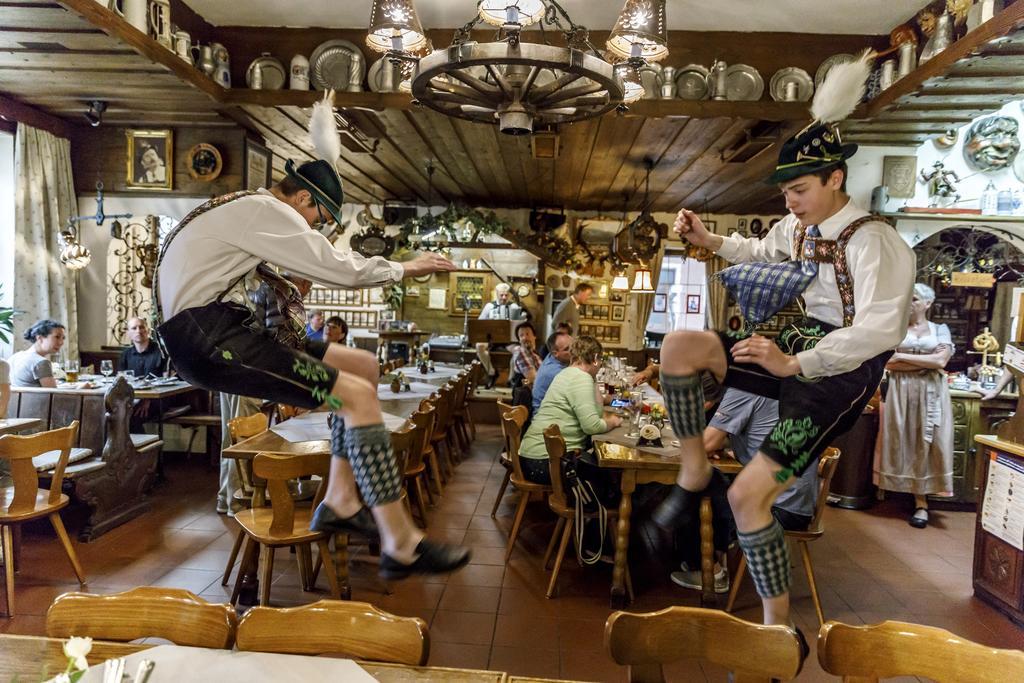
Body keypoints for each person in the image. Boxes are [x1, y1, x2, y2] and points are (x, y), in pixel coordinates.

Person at [650, 54, 914, 646]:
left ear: (835, 179)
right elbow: (760, 253)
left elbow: (879, 331)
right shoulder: (794, 229)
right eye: (787, 191)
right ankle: (694, 467)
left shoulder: (877, 243)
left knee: (747, 494)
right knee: (680, 345)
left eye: (799, 189)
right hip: (790, 346)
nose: (790, 201)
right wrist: (709, 239)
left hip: (839, 376)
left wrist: (797, 363)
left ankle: (775, 629)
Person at [154, 93, 469, 579]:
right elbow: (337, 269)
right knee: (359, 397)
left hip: (220, 328)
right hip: (210, 338)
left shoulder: (247, 208)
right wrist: (406, 266)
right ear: (303, 198)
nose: (316, 230)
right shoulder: (269, 212)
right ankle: (401, 541)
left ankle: (341, 499)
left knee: (361, 367)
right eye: (319, 220)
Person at [671, 388, 819, 593]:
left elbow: (706, 442)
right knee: (716, 484)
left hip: (778, 505)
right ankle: (714, 551)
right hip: (798, 503)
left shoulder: (744, 388)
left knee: (697, 491)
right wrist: (718, 445)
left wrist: (706, 444)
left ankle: (710, 572)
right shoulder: (775, 385)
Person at [875, 283, 954, 529]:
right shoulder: (895, 329)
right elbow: (887, 361)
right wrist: (925, 363)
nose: (910, 303)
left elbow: (942, 359)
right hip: (901, 392)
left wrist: (903, 357)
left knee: (929, 443)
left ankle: (922, 503)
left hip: (932, 393)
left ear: (928, 304)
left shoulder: (940, 329)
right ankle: (899, 492)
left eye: (916, 299)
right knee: (901, 439)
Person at [518, 335, 622, 485]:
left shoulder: (567, 373)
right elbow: (592, 426)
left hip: (535, 457)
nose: (600, 365)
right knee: (614, 476)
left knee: (604, 468)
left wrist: (594, 380)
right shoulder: (580, 378)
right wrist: (613, 422)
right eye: (600, 360)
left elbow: (596, 414)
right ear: (594, 358)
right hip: (544, 462)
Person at [476, 283, 527, 387]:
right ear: (497, 294)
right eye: (501, 295)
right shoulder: (489, 306)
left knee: (518, 350)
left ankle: (511, 378)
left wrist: (520, 319)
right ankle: (491, 372)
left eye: (506, 295)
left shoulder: (513, 306)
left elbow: (521, 323)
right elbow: (479, 323)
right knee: (479, 346)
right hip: (491, 339)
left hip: (508, 340)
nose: (504, 298)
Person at [8, 320, 66, 388]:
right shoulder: (41, 362)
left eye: (63, 338)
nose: (61, 342)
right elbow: (54, 395)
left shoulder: (15, 357)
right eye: (57, 337)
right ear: (40, 338)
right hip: (35, 399)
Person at [531, 331, 572, 413]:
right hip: (546, 420)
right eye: (567, 349)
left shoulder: (551, 357)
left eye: (574, 345)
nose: (573, 350)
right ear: (555, 353)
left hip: (553, 412)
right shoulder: (555, 372)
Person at [510, 321, 542, 388]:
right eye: (521, 335)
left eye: (527, 334)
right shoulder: (520, 353)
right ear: (519, 340)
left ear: (534, 336)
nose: (525, 338)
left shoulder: (535, 354)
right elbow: (534, 379)